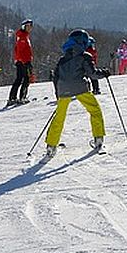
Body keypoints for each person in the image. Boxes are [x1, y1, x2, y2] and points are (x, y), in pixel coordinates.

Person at [44, 29, 111, 157]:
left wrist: (58, 94)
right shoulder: (85, 56)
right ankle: (98, 139)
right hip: (80, 87)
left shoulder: (62, 59)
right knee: (95, 110)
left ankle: (51, 146)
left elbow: (56, 77)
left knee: (59, 117)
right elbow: (92, 74)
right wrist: (104, 73)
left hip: (63, 89)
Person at [7, 19, 34, 106]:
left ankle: (13, 97)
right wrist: (24, 61)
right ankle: (22, 97)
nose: (30, 28)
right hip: (23, 61)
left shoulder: (23, 36)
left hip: (22, 61)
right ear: (24, 27)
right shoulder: (23, 37)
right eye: (28, 26)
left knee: (19, 79)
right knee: (26, 79)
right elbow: (19, 50)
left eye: (31, 26)